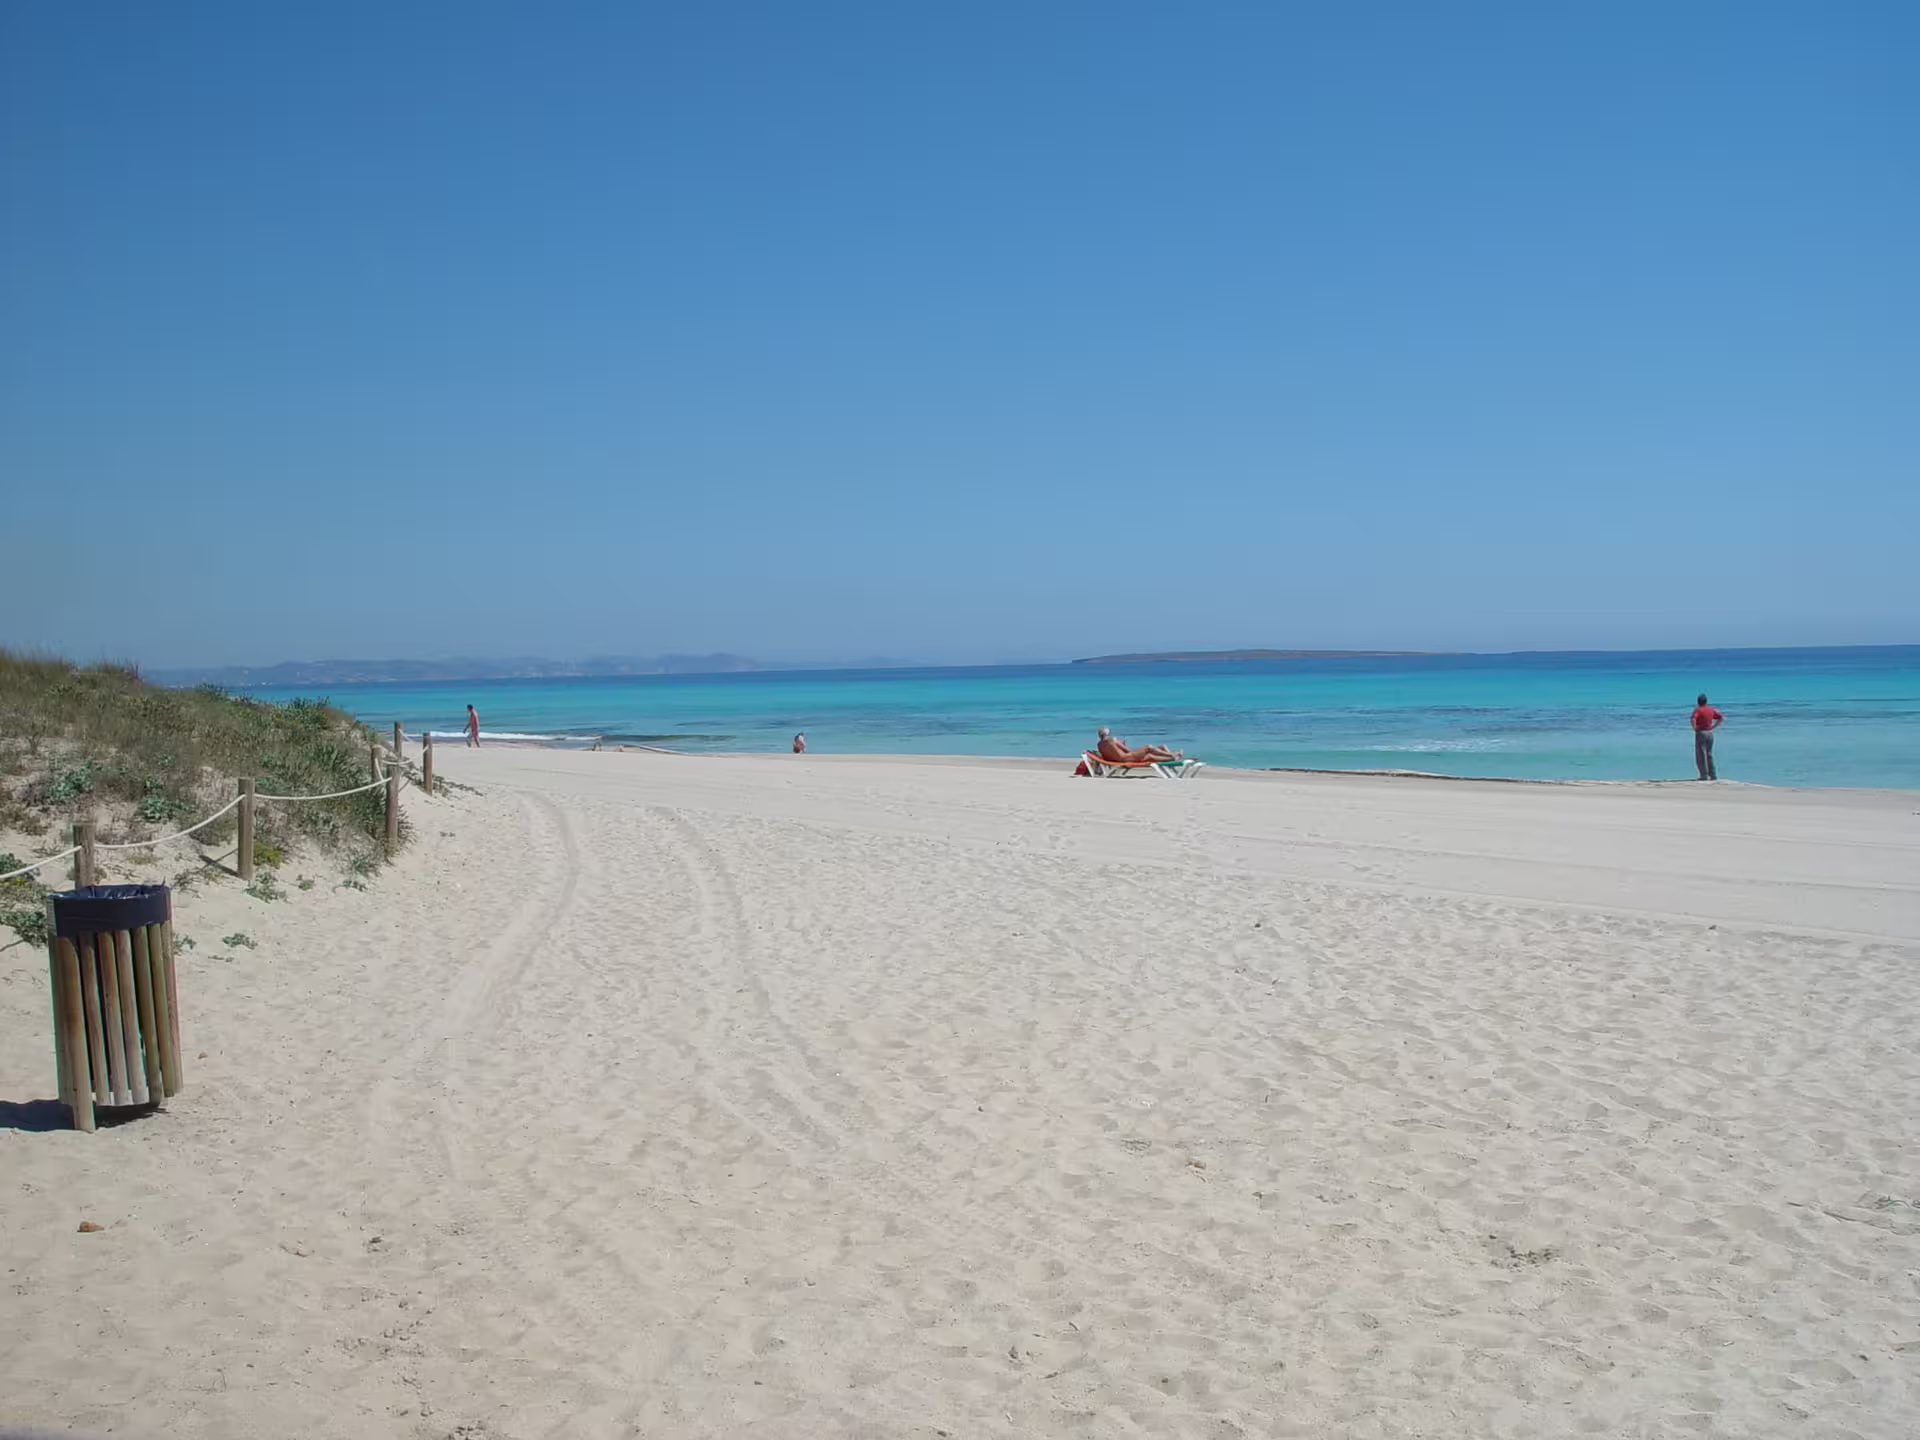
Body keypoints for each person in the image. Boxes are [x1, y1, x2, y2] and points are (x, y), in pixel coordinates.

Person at [1096, 725, 1181, 764]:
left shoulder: (1099, 745)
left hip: (1119, 760)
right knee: (1148, 748)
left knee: (1150, 756)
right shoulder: (1112, 740)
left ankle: (1172, 758)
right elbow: (1127, 750)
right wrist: (1128, 748)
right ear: (1108, 733)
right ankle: (1173, 754)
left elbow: (1110, 755)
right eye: (1109, 731)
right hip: (1126, 758)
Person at [1690, 693, 1724, 780]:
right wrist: (1714, 727)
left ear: (1698, 702)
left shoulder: (1698, 710)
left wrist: (1694, 728)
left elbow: (1693, 719)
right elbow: (1721, 718)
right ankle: (1713, 774)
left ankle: (1704, 775)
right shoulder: (1710, 710)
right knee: (1709, 754)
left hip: (1701, 733)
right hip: (1710, 733)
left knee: (1701, 755)